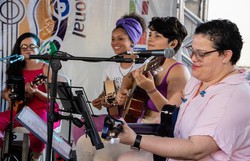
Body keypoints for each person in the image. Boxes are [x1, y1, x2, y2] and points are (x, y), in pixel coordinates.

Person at [117, 19, 250, 161]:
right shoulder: (198, 79)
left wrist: (136, 139)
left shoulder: (233, 97)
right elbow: (178, 99)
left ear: (226, 56)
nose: (193, 58)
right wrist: (159, 120)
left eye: (201, 54)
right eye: (191, 51)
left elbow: (195, 150)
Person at [74, 13, 146, 161]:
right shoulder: (111, 67)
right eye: (113, 39)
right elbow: (109, 93)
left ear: (133, 41)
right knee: (81, 126)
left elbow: (142, 97)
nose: (115, 43)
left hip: (134, 118)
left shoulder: (141, 66)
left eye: (121, 39)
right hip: (114, 116)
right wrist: (101, 100)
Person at [116, 16, 190, 123]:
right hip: (140, 122)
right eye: (150, 35)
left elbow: (173, 113)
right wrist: (123, 89)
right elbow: (129, 76)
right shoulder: (154, 62)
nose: (150, 39)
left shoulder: (178, 71)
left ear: (172, 43)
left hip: (157, 129)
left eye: (157, 36)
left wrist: (151, 89)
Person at [0, 32, 60, 161]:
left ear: (38, 48)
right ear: (19, 50)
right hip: (19, 110)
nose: (28, 49)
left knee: (38, 127)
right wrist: (6, 95)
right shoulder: (16, 68)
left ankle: (35, 156)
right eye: (24, 47)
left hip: (44, 109)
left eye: (32, 46)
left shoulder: (46, 69)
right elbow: (5, 92)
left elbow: (53, 97)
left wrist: (36, 92)